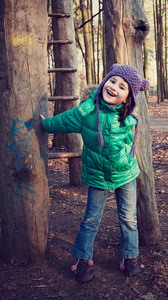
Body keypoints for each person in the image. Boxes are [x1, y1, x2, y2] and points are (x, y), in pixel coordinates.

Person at [40, 64, 150, 282]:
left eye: (122, 87)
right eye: (112, 81)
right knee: (91, 218)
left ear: (128, 98)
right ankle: (82, 260)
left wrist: (126, 154)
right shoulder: (87, 112)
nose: (114, 87)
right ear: (104, 82)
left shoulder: (128, 117)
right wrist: (47, 124)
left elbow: (130, 142)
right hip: (98, 176)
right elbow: (65, 119)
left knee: (128, 217)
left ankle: (130, 257)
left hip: (125, 175)